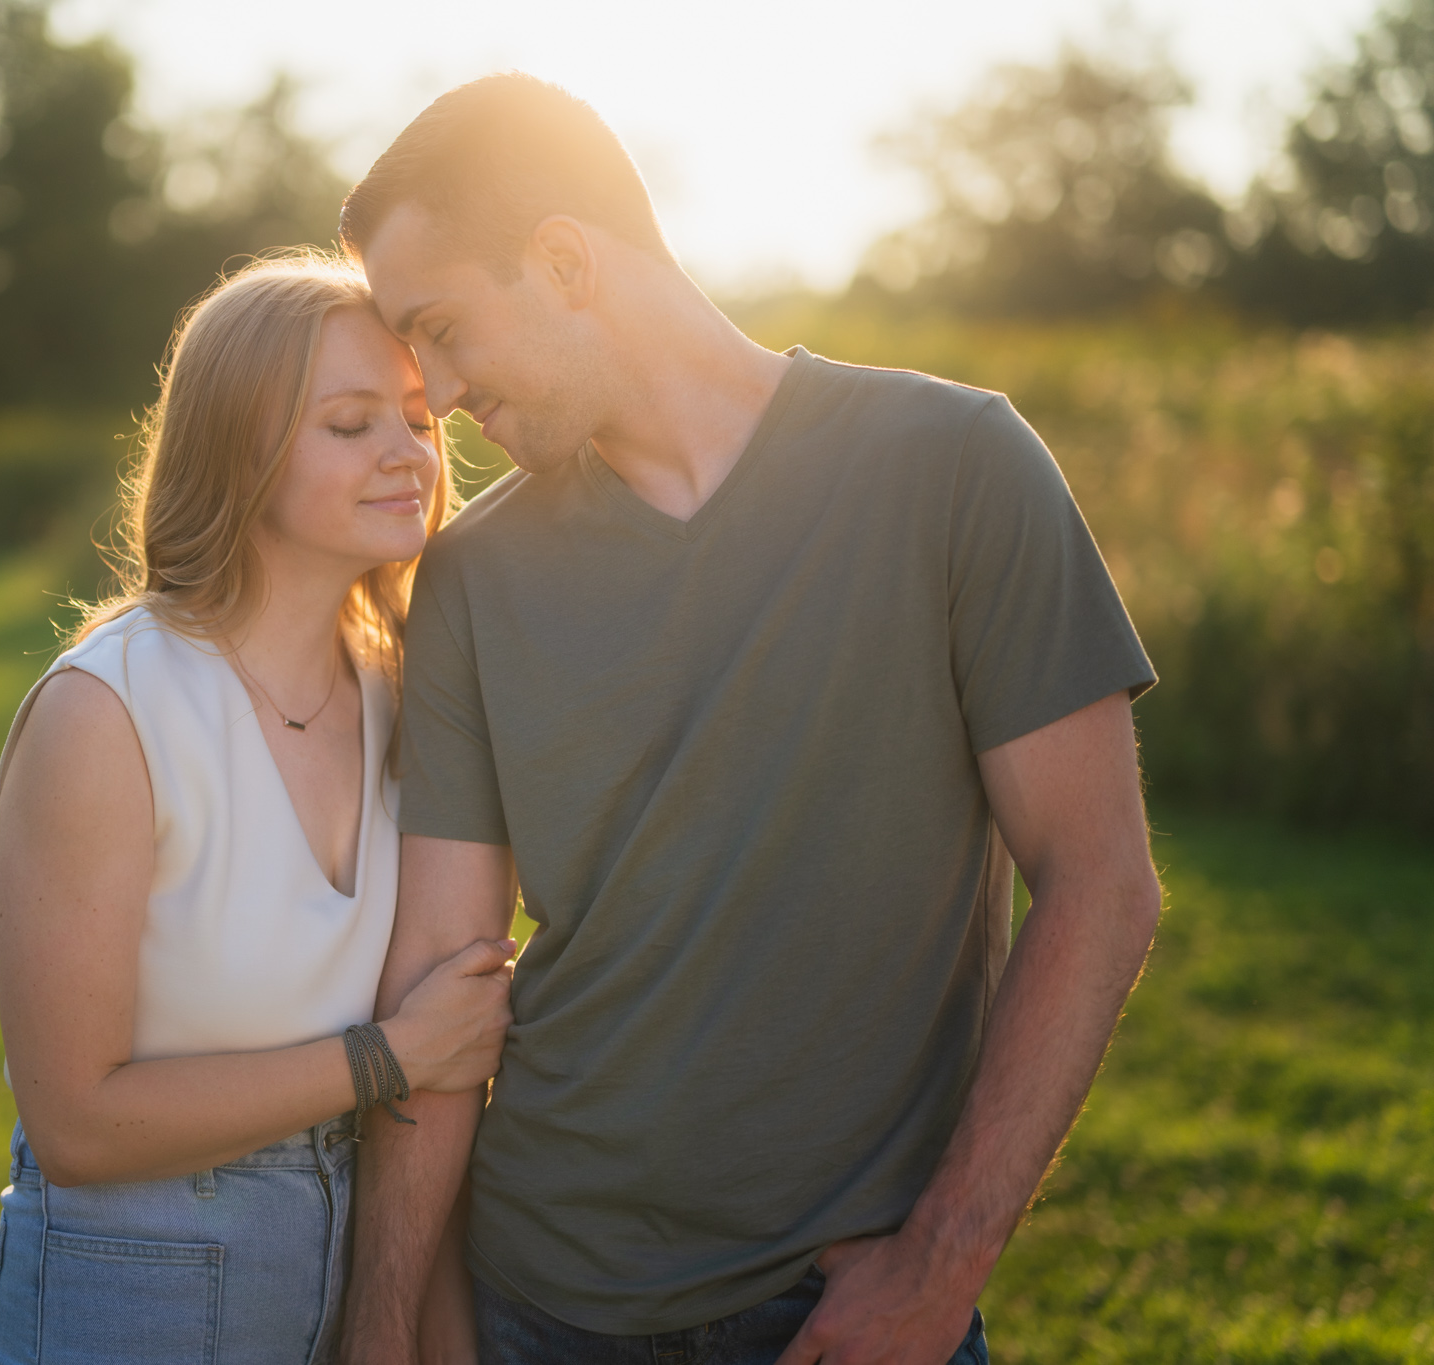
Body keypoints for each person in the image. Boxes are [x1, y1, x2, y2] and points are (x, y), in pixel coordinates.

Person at [334, 75, 1165, 1365]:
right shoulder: (470, 580)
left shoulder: (952, 467)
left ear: (561, 259)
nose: (431, 394)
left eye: (439, 330)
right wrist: (381, 1329)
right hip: (546, 1299)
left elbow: (1099, 881)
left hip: (848, 1318)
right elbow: (439, 979)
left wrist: (941, 1263)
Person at [0, 255, 517, 1365]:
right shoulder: (107, 713)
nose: (406, 454)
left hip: (347, 1272)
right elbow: (74, 1121)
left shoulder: (408, 692)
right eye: (349, 424)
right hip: (131, 1290)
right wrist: (388, 1058)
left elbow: (448, 1063)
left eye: (414, 418)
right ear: (239, 451)